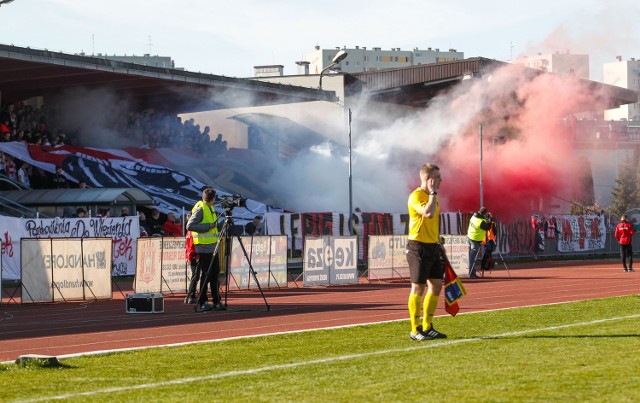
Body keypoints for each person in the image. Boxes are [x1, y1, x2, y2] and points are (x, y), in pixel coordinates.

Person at [405, 163, 447, 341]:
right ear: (429, 180)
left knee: (436, 285)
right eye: (438, 177)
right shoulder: (417, 196)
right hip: (418, 246)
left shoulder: (433, 196)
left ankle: (428, 326)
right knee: (418, 287)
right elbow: (428, 214)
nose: (441, 180)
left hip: (432, 245)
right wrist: (432, 193)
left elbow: (433, 221)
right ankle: (415, 329)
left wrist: (438, 240)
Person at [186, 187, 225, 312]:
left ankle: (216, 300)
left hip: (211, 246)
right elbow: (190, 225)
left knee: (215, 273)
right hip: (203, 247)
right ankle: (202, 301)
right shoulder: (201, 208)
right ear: (213, 199)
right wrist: (208, 226)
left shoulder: (209, 208)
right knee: (206, 274)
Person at [467, 206, 492, 279]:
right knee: (473, 258)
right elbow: (487, 227)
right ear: (484, 214)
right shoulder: (481, 222)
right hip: (476, 240)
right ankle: (472, 274)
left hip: (470, 236)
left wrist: (486, 218)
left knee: (471, 257)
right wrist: (490, 219)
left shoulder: (474, 216)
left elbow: (483, 220)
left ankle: (472, 271)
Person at [184, 213, 200, 304]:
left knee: (195, 276)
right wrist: (189, 257)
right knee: (195, 276)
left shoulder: (189, 231)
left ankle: (190, 296)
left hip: (193, 255)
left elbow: (188, 246)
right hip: (195, 255)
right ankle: (191, 296)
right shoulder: (192, 231)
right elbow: (190, 246)